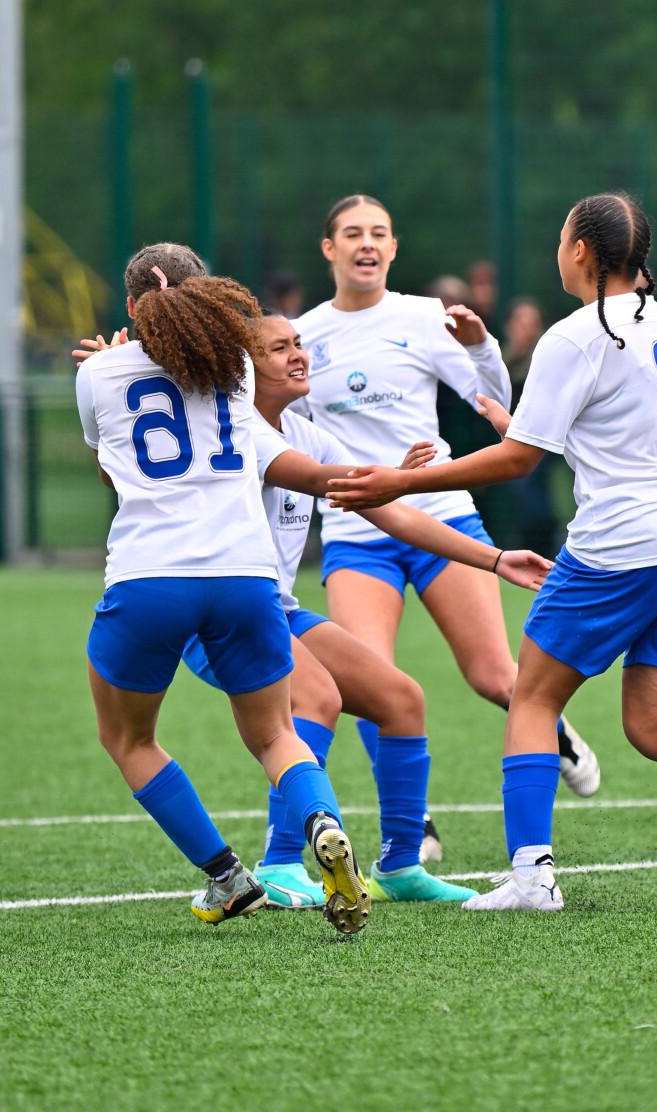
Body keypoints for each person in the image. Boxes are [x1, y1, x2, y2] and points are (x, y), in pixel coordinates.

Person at [329, 192, 657, 914]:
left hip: (626, 543)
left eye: (563, 239)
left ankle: (531, 877)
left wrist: (401, 480)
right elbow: (571, 427)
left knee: (533, 694)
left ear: (582, 251)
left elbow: (520, 460)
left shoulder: (573, 334)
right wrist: (505, 419)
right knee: (655, 718)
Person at [75, 303, 552, 909]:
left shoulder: (304, 433)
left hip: (272, 605)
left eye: (299, 342)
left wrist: (492, 557)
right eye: (278, 348)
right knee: (316, 699)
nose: (299, 354)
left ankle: (401, 866)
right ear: (242, 366)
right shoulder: (235, 427)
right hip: (222, 610)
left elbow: (386, 508)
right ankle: (280, 862)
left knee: (401, 700)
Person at [76, 272, 368, 934]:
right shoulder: (237, 366)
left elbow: (111, 473)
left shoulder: (99, 373)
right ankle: (323, 823)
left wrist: (107, 361)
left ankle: (226, 876)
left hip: (149, 578)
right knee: (275, 734)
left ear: (134, 307)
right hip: (246, 576)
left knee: (129, 738)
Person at [295, 194, 602, 796]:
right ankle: (415, 827)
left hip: (442, 513)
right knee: (371, 684)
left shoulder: (422, 316)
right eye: (353, 234)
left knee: (494, 675)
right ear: (330, 249)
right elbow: (289, 429)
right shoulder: (305, 334)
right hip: (358, 532)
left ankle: (556, 732)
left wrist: (482, 345)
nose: (367, 244)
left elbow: (494, 405)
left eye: (379, 233)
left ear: (393, 248)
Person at [502, 296, 559, 555]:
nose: (526, 329)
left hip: (545, 442)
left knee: (541, 502)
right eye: (520, 322)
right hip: (509, 439)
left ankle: (546, 548)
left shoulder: (546, 360)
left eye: (532, 323)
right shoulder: (501, 361)